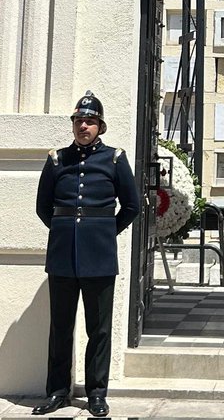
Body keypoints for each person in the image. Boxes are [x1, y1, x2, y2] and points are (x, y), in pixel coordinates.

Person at [32, 92, 139, 418]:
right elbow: (42, 207)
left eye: (90, 121)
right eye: (79, 121)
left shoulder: (115, 160)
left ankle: (96, 394)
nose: (83, 126)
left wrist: (104, 232)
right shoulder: (56, 160)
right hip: (63, 256)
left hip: (99, 257)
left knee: (99, 330)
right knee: (61, 328)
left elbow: (131, 207)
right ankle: (58, 392)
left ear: (100, 126)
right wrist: (66, 232)